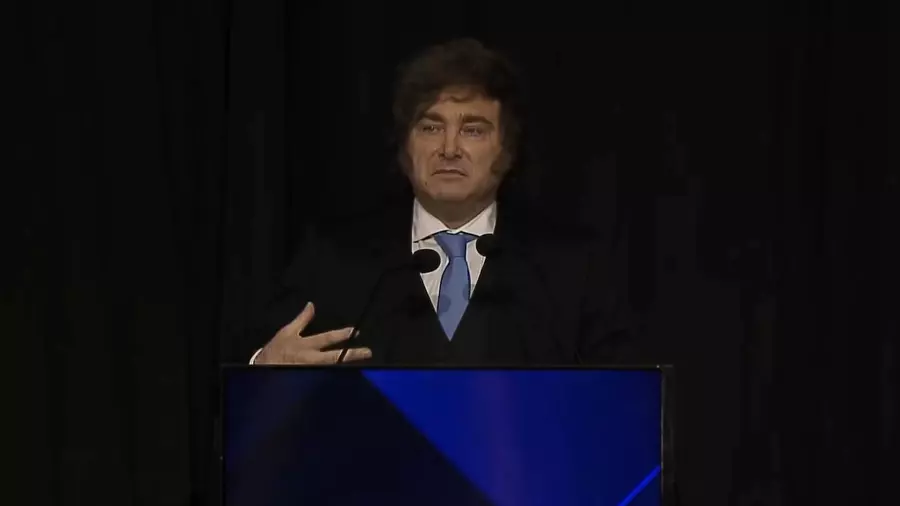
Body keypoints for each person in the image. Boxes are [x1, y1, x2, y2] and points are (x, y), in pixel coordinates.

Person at [241, 38, 633, 366]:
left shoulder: (571, 267)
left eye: (473, 130)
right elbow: (259, 372)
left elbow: (623, 401)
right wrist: (263, 365)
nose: (449, 149)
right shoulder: (334, 258)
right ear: (404, 148)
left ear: (508, 149)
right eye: (430, 127)